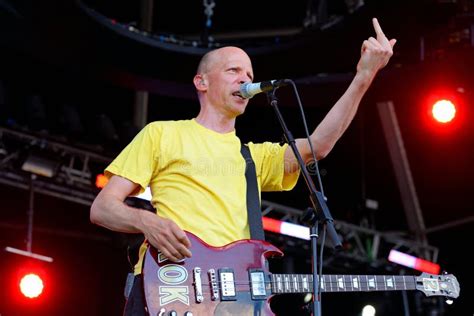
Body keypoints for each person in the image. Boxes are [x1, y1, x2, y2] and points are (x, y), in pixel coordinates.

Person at [90, 17, 396, 315]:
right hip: (170, 288)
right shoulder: (162, 134)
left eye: (249, 74)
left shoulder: (253, 157)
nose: (245, 79)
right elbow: (102, 208)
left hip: (233, 303)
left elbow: (319, 146)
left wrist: (364, 77)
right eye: (233, 70)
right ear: (202, 82)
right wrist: (147, 223)